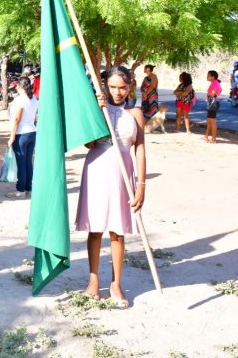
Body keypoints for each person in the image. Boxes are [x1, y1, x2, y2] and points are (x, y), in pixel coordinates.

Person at [75, 65, 145, 308]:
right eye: (113, 87)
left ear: (130, 86)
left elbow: (140, 149)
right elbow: (89, 143)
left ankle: (116, 284)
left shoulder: (135, 113)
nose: (118, 92)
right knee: (95, 228)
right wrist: (97, 112)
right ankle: (93, 281)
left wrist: (141, 185)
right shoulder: (98, 109)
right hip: (97, 169)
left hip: (123, 174)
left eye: (123, 87)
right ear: (105, 85)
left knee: (118, 230)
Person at [6, 78, 38, 199]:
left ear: (20, 86)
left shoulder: (20, 100)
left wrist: (11, 137)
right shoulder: (33, 98)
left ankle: (20, 190)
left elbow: (16, 119)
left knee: (21, 163)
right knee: (28, 162)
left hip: (21, 134)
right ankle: (28, 188)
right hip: (32, 131)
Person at [204, 70, 222, 144]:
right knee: (209, 120)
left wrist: (211, 95)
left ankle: (214, 139)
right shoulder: (215, 83)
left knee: (212, 121)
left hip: (213, 103)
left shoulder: (215, 83)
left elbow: (213, 94)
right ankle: (206, 136)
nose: (207, 77)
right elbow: (220, 90)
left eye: (208, 75)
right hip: (212, 103)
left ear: (213, 77)